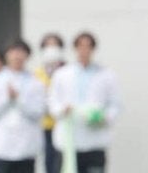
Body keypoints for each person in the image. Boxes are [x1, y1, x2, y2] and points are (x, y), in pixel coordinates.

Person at [48, 32, 121, 173]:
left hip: (95, 140)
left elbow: (115, 104)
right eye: (80, 46)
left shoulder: (107, 75)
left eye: (88, 47)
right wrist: (62, 109)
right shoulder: (62, 74)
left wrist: (104, 116)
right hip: (69, 140)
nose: (84, 50)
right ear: (75, 49)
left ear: (93, 49)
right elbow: (53, 101)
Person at [0, 40, 46, 173]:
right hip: (2, 147)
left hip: (27, 148)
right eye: (14, 52)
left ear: (27, 56)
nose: (17, 56)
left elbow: (39, 112)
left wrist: (19, 99)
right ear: (7, 55)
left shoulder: (36, 83)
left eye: (21, 52)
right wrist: (6, 99)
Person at [33, 33, 66, 173]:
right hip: (46, 125)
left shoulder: (68, 72)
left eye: (55, 45)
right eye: (48, 46)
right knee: (49, 161)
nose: (51, 49)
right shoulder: (37, 73)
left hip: (65, 124)